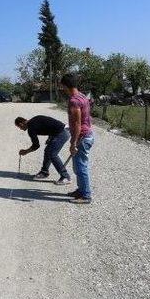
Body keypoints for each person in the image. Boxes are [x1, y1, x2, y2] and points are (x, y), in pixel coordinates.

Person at [59, 73, 95, 204]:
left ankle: (86, 196)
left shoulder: (74, 100)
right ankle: (81, 190)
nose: (61, 88)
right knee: (78, 167)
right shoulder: (82, 96)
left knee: (81, 167)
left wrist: (73, 143)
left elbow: (77, 124)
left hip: (82, 138)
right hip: (85, 135)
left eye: (62, 85)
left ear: (65, 85)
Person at [14, 115, 72, 185]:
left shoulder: (31, 128)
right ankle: (44, 172)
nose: (21, 129)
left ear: (21, 124)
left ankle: (65, 177)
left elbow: (36, 145)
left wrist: (26, 151)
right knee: (48, 151)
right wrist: (50, 137)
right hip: (63, 130)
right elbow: (50, 124)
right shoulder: (34, 119)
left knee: (52, 154)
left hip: (62, 133)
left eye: (19, 127)